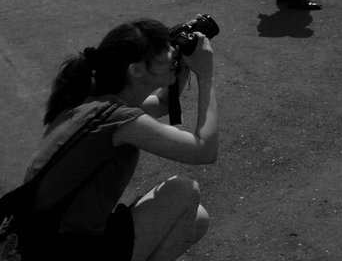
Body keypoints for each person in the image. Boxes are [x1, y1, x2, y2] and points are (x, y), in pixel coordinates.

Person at [23, 18, 216, 261]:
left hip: (41, 239)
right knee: (184, 191)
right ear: (135, 70)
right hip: (66, 249)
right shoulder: (119, 120)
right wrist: (206, 75)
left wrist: (182, 66)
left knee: (196, 219)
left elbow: (164, 103)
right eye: (165, 49)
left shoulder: (92, 98)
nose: (172, 51)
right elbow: (205, 150)